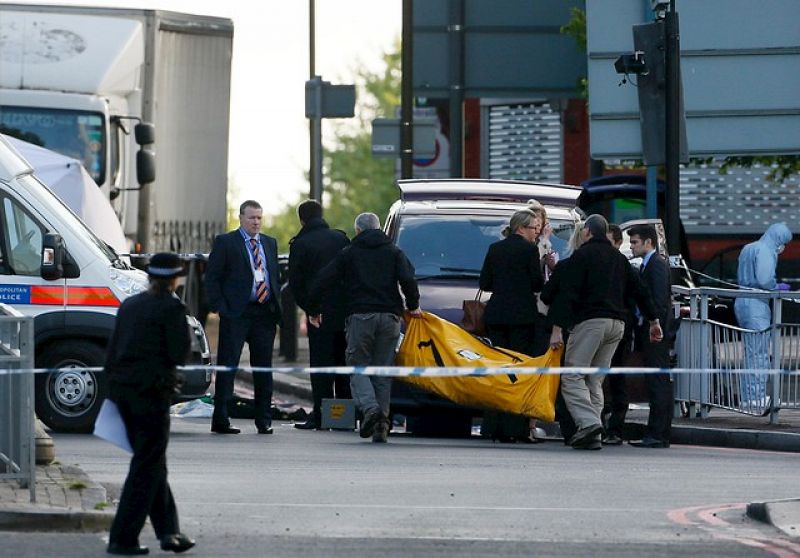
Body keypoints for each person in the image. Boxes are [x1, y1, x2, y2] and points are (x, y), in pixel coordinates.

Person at [547, 214, 662, 450]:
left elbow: (567, 294)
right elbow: (640, 290)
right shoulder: (619, 259)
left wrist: (557, 328)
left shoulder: (582, 256)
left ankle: (589, 424)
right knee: (595, 379)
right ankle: (594, 435)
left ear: (587, 231)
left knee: (572, 375)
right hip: (617, 325)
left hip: (590, 322)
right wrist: (654, 320)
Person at [105, 252, 195, 555]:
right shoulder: (172, 308)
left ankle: (170, 532)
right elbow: (178, 353)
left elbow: (112, 351)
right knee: (146, 466)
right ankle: (123, 537)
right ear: (175, 279)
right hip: (152, 395)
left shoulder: (130, 305)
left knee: (152, 461)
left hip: (123, 393)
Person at [308, 212, 421, 443]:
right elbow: (408, 279)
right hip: (390, 317)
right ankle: (381, 426)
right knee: (382, 371)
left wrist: (313, 308)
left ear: (358, 230)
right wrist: (413, 305)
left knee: (357, 367)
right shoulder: (394, 252)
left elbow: (324, 278)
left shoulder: (349, 253)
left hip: (360, 317)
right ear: (379, 228)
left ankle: (371, 410)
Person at [205, 200, 282, 435]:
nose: (256, 222)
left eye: (259, 218)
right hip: (236, 312)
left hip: (263, 314)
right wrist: (220, 307)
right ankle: (221, 419)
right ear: (241, 218)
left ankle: (264, 420)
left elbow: (273, 275)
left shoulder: (269, 243)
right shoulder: (226, 242)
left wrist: (275, 305)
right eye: (251, 218)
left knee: (263, 369)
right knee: (228, 367)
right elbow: (212, 277)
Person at [478, 208, 545, 443]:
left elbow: (485, 283)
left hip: (496, 316)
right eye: (533, 228)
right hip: (522, 318)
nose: (536, 233)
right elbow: (537, 283)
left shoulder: (495, 248)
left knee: (497, 370)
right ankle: (514, 427)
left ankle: (492, 426)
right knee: (518, 371)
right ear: (521, 228)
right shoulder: (529, 250)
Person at [288, 199, 351, 430]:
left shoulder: (300, 244)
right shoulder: (341, 239)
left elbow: (296, 284)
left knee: (321, 366)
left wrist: (311, 310)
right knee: (343, 364)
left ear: (302, 220)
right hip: (344, 313)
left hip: (319, 315)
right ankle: (343, 417)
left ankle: (321, 416)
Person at [734, 223, 793, 410]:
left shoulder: (748, 248)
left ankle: (748, 396)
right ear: (779, 239)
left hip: (741, 302)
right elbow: (764, 279)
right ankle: (756, 397)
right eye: (784, 243)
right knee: (759, 354)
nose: (783, 247)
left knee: (750, 353)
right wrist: (777, 287)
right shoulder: (766, 250)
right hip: (757, 305)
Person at [627, 224, 675, 448]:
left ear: (648, 242)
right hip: (651, 330)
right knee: (656, 381)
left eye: (634, 242)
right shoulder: (649, 264)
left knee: (658, 383)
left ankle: (658, 433)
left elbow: (658, 301)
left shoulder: (655, 265)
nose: (631, 246)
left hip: (655, 333)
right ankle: (657, 433)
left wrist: (654, 326)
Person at [601, 224, 634, 445]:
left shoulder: (621, 265)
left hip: (619, 330)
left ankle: (615, 428)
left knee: (616, 379)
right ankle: (603, 424)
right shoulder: (607, 262)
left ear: (618, 243)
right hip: (611, 326)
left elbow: (635, 294)